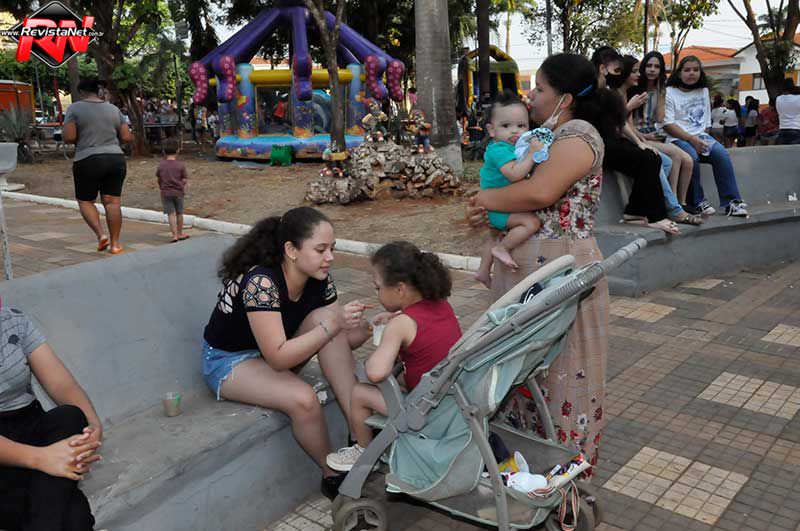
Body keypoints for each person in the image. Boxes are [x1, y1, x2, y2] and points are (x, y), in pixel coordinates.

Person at [466, 52, 625, 476]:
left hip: (562, 273)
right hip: (532, 271)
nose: (530, 96)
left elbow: (540, 193)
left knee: (564, 373)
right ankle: (523, 474)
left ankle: (564, 479)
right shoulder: (544, 135)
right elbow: (518, 193)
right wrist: (489, 210)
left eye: (539, 88)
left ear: (565, 98)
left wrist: (484, 199)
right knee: (522, 374)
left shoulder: (578, 135)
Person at [201, 207, 370, 500]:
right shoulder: (261, 282)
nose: (330, 257)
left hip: (278, 351)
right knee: (303, 399)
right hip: (230, 361)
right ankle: (332, 475)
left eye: (332, 248)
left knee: (326, 321)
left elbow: (340, 342)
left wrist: (369, 329)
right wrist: (334, 325)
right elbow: (279, 358)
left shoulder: (320, 277)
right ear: (291, 250)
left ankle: (360, 438)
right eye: (320, 249)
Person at [326, 241, 462, 472]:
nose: (377, 293)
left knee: (359, 392)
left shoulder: (401, 325)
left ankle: (363, 452)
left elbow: (375, 372)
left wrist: (386, 338)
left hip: (428, 412)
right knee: (400, 376)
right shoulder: (441, 304)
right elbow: (424, 337)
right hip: (451, 397)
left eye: (378, 288)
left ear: (399, 289)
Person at [0, 307, 103, 530]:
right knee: (75, 518)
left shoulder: (13, 320)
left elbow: (60, 384)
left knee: (70, 415)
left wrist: (93, 428)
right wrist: (41, 458)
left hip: (29, 425)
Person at [595, 48, 680, 234]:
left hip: (612, 139)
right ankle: (656, 215)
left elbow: (621, 122)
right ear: (603, 68)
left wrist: (639, 142)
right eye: (617, 69)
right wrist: (629, 107)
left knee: (652, 157)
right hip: (600, 143)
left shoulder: (609, 91)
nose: (620, 72)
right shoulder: (594, 93)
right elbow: (611, 122)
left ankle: (635, 211)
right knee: (649, 160)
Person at [473, 90, 543, 288]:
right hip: (496, 206)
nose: (515, 132)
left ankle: (483, 271)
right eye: (506, 126)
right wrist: (532, 154)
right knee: (531, 223)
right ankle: (502, 249)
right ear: (491, 130)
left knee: (494, 234)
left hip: (497, 205)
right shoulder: (499, 150)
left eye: (521, 126)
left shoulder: (512, 148)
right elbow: (514, 174)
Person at [664, 56, 748, 217]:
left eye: (695, 70)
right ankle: (698, 201)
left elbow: (706, 122)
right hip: (677, 138)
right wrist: (692, 140)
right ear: (679, 73)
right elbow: (668, 124)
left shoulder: (703, 91)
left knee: (721, 154)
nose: (691, 73)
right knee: (692, 156)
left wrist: (704, 141)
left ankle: (731, 202)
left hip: (700, 136)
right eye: (687, 70)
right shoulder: (669, 92)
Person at [628, 53, 701, 225]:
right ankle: (673, 205)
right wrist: (643, 136)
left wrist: (660, 90)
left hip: (653, 133)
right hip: (638, 134)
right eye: (649, 66)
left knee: (688, 160)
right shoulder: (634, 88)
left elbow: (660, 118)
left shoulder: (660, 90)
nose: (652, 70)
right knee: (674, 155)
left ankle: (681, 202)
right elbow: (627, 122)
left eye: (657, 67)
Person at [62, 77, 131, 255]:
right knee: (112, 202)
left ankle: (101, 235)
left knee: (85, 201)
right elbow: (126, 137)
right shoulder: (114, 109)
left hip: (88, 158)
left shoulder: (74, 108)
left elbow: (69, 137)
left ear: (81, 91)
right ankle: (115, 244)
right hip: (116, 158)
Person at [157, 138, 190, 243]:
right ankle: (180, 233)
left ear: (163, 151)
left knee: (171, 214)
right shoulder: (181, 165)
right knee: (179, 213)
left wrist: (161, 187)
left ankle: (174, 235)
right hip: (178, 192)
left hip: (165, 192)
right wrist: (182, 185)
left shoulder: (161, 165)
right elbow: (184, 179)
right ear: (178, 150)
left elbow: (159, 178)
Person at [776, 78, 800, 145]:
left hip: (782, 129)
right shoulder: (798, 98)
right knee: (795, 151)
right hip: (796, 128)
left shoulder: (778, 99)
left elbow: (778, 112)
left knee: (783, 151)